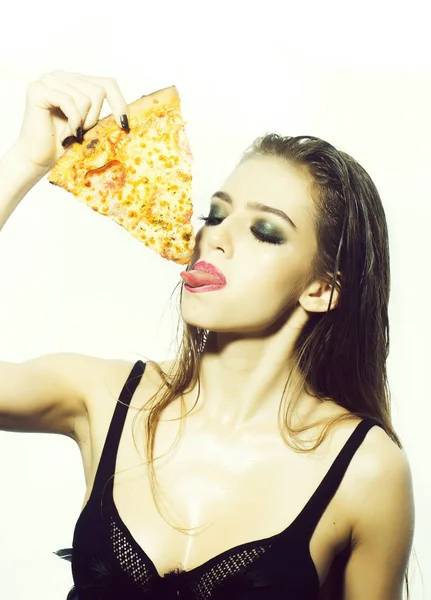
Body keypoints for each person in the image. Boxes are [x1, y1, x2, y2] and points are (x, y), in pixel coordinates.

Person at [0, 71, 415, 600]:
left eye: (264, 231)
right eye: (215, 213)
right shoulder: (104, 398)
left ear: (320, 289)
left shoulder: (365, 470)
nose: (215, 236)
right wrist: (24, 161)